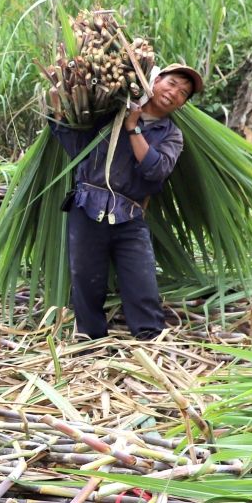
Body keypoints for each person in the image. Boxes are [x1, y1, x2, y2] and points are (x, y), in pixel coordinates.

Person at [51, 64, 202, 341]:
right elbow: (75, 145)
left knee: (142, 284)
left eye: (183, 93)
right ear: (153, 81)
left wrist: (133, 129)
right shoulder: (110, 112)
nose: (174, 93)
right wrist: (60, 105)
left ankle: (150, 341)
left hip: (130, 215)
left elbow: (155, 170)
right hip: (88, 206)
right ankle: (89, 341)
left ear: (182, 105)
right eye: (171, 84)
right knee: (86, 281)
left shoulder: (171, 135)